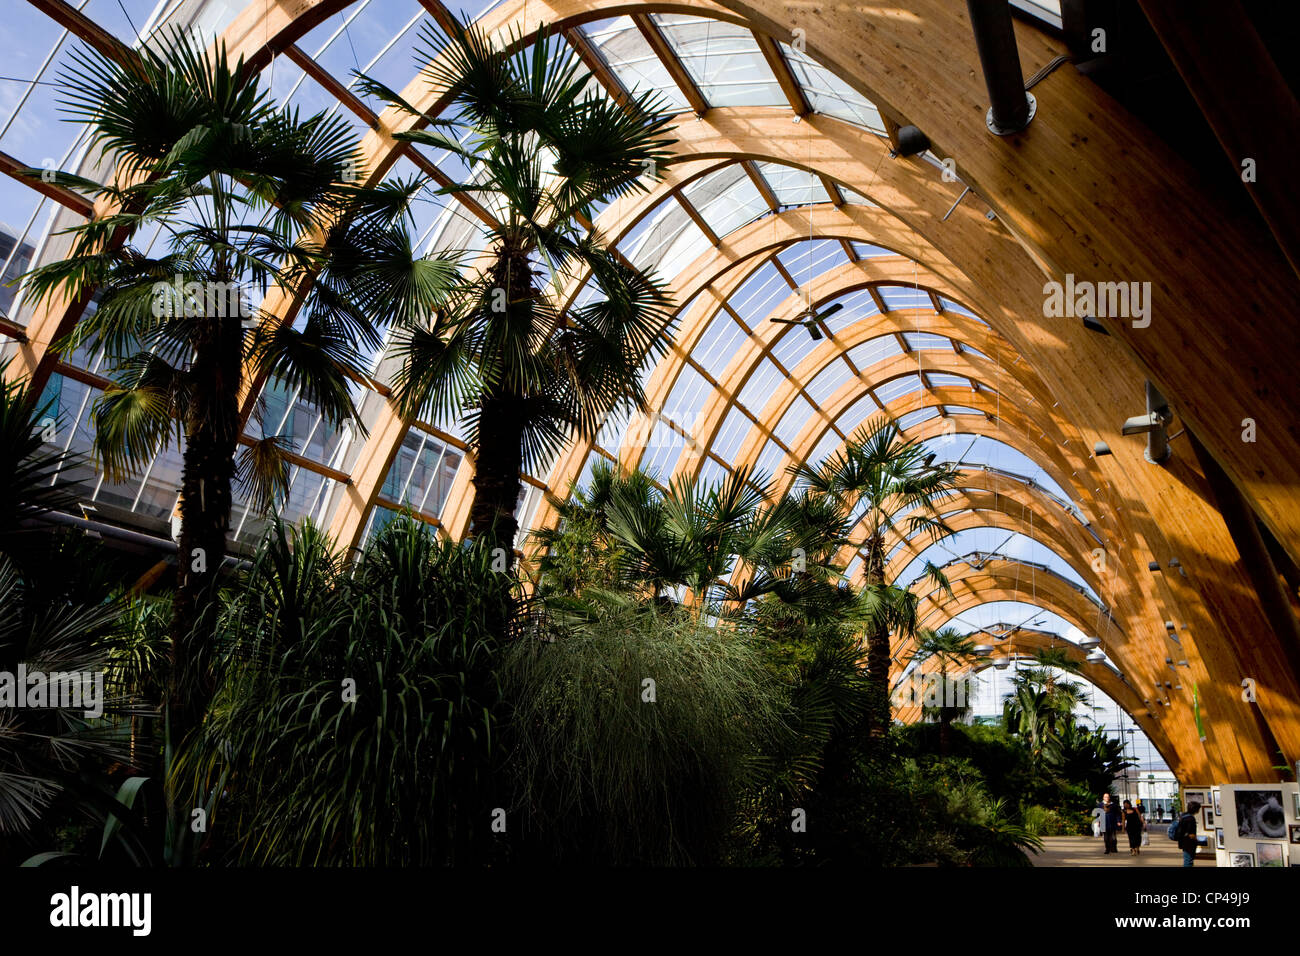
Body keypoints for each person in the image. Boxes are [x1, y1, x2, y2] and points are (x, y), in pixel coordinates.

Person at [1176, 801, 1201, 867]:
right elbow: (1190, 833)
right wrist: (1195, 839)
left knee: (1187, 859)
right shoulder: (1191, 819)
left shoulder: (1183, 816)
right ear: (1196, 809)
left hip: (1183, 842)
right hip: (1189, 843)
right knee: (1189, 860)